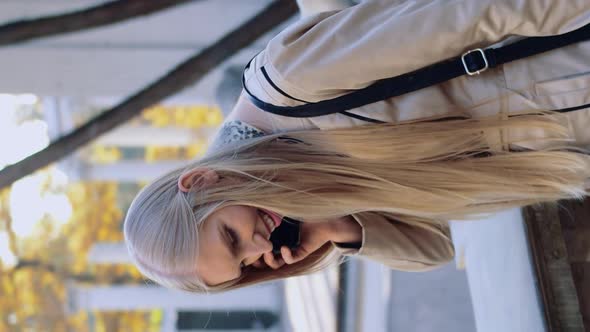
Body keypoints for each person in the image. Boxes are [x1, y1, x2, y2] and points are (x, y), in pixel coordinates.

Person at [124, 0, 590, 293]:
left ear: (202, 180)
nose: (259, 245)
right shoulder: (312, 195)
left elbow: (470, 15)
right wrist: (339, 228)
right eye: (244, 262)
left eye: (231, 235)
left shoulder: (291, 83)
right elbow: (436, 246)